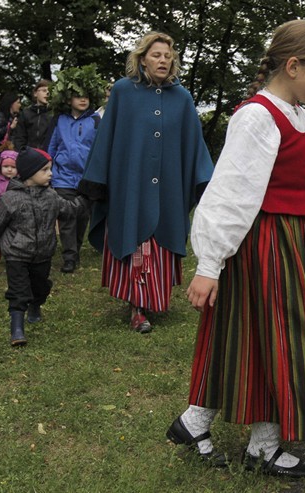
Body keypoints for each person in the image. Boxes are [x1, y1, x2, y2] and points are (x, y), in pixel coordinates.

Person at [166, 20, 305, 479]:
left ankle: (214, 428)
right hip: (261, 240)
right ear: (293, 65)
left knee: (261, 336)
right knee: (281, 336)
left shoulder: (295, 113)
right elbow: (230, 192)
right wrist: (209, 264)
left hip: (286, 240)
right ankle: (258, 444)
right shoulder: (258, 115)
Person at [79, 32, 214, 334]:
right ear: (142, 59)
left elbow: (195, 144)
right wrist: (96, 180)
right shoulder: (124, 92)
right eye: (156, 55)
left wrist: (206, 180)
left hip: (168, 188)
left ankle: (152, 298)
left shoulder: (183, 98)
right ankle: (137, 305)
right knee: (136, 238)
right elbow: (107, 137)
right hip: (131, 185)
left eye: (168, 56)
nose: (163, 60)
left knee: (159, 238)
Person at [0, 147, 89, 346]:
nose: (50, 173)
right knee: (18, 291)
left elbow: (70, 211)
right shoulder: (10, 199)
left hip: (43, 255)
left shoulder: (51, 196)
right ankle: (17, 329)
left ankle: (36, 305)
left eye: (50, 169)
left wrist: (88, 197)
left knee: (40, 287)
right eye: (45, 170)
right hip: (17, 255)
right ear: (29, 173)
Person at [47, 71, 104, 273]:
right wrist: (47, 169)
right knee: (66, 216)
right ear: (68, 99)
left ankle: (75, 250)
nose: (83, 100)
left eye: (86, 97)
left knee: (81, 218)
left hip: (87, 179)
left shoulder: (96, 121)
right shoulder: (60, 120)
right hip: (62, 178)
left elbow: (101, 149)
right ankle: (69, 257)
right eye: (78, 96)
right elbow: (52, 146)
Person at [12, 80, 52, 151]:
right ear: (35, 93)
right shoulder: (25, 113)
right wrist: (23, 153)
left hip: (48, 157)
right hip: (28, 156)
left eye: (49, 91)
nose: (47, 93)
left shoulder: (54, 114)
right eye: (44, 90)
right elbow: (19, 137)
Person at [0, 92, 21, 164]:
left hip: (13, 153)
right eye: (18, 103)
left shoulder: (14, 118)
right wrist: (10, 127)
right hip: (1, 154)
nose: (20, 105)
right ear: (11, 104)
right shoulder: (0, 116)